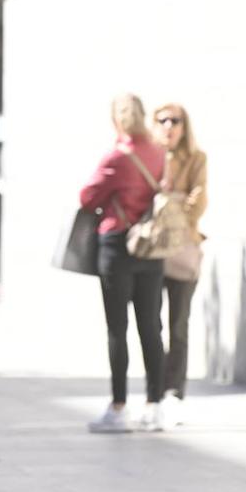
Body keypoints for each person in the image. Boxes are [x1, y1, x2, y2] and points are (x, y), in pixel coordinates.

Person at [80, 93, 168, 434]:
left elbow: (87, 197)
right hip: (151, 247)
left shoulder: (118, 157)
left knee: (118, 328)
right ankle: (155, 404)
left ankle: (118, 407)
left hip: (118, 245)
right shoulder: (158, 153)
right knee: (151, 326)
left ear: (117, 121)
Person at [153, 103, 208, 422]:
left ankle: (174, 389)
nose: (169, 126)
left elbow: (198, 201)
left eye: (175, 121)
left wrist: (167, 206)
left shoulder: (197, 159)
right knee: (151, 323)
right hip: (153, 252)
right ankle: (155, 387)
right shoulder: (151, 158)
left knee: (179, 323)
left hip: (184, 250)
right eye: (162, 120)